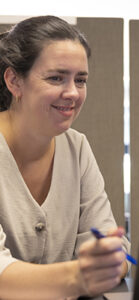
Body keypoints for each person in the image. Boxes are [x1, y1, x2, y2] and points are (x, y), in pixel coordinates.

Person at [0, 15, 130, 299]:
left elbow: (112, 247)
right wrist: (80, 275)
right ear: (14, 81)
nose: (72, 92)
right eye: (56, 78)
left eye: (80, 80)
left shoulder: (77, 147)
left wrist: (110, 256)